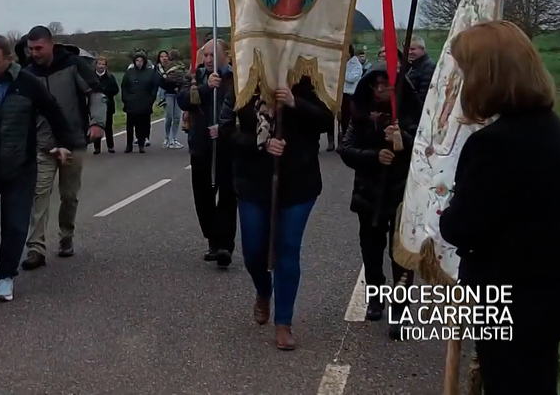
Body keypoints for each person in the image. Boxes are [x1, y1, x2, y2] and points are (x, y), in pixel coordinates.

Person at [438, 21, 560, 393]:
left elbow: (462, 227)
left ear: (486, 76)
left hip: (514, 296)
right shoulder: (549, 127)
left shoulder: (495, 143)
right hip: (554, 288)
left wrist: (447, 206)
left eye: (465, 72)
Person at [0, 35, 78, 302]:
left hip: (20, 167)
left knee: (15, 225)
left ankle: (6, 275)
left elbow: (53, 111)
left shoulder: (27, 84)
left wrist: (64, 142)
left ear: (9, 60)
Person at [220, 77, 332, 351]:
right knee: (254, 250)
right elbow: (226, 132)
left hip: (298, 182)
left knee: (288, 248)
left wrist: (296, 103)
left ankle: (284, 322)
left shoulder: (310, 79)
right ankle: (263, 289)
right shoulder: (241, 82)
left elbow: (328, 121)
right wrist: (260, 143)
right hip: (254, 183)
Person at [338, 67, 421, 333]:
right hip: (369, 193)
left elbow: (426, 149)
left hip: (402, 194)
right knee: (371, 250)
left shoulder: (410, 113)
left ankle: (401, 308)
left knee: (401, 254)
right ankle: (375, 297)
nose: (381, 90)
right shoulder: (362, 114)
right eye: (376, 86)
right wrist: (374, 156)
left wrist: (402, 138)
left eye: (386, 85)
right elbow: (347, 148)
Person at [20, 25, 107, 270]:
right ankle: (35, 248)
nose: (35, 53)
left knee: (69, 195)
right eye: (30, 49)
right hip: (43, 144)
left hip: (73, 141)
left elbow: (96, 93)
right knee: (39, 195)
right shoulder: (27, 74)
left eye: (39, 48)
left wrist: (97, 122)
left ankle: (66, 234)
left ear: (51, 44)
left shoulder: (72, 65)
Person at [177, 39, 237, 268]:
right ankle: (212, 239)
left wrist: (225, 129)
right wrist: (205, 88)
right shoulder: (196, 77)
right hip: (201, 146)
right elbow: (183, 100)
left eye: (213, 55)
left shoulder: (236, 78)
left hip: (228, 146)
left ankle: (225, 245)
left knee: (228, 196)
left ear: (226, 56)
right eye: (206, 55)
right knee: (203, 197)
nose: (208, 60)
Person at [120, 51, 158, 153]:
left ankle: (141, 144)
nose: (139, 63)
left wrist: (151, 99)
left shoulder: (150, 72)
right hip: (131, 103)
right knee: (129, 125)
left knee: (142, 125)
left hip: (144, 102)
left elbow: (154, 87)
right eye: (137, 60)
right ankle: (129, 145)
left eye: (141, 61)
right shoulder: (129, 72)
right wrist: (125, 98)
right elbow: (124, 86)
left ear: (145, 61)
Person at [156, 50, 187, 149]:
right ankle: (168, 138)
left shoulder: (181, 66)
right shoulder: (166, 67)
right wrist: (175, 86)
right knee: (170, 117)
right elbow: (163, 81)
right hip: (169, 94)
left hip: (176, 94)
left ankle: (173, 138)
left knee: (176, 117)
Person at [91, 56, 119, 155]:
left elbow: (116, 90)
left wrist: (105, 91)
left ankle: (110, 146)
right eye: (99, 64)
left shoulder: (110, 77)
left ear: (106, 66)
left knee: (108, 127)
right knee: (96, 125)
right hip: (95, 106)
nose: (101, 66)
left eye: (103, 64)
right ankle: (97, 147)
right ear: (96, 65)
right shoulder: (91, 77)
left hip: (108, 105)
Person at [405, 35, 436, 105]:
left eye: (413, 49)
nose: (409, 52)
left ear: (422, 49)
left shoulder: (428, 67)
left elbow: (423, 94)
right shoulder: (412, 65)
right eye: (408, 49)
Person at [341, 45, 363, 139]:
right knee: (341, 118)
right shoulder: (344, 62)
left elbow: (352, 78)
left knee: (348, 118)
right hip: (341, 93)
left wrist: (342, 72)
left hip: (350, 94)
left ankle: (348, 137)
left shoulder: (356, 65)